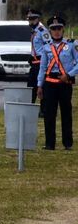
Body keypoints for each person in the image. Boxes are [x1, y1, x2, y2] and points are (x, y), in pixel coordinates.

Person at [40, 16, 75, 151]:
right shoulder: (46, 47)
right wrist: (39, 85)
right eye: (54, 29)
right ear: (50, 31)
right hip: (49, 83)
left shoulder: (71, 44)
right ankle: (50, 144)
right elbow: (42, 68)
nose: (56, 31)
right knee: (49, 114)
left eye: (59, 28)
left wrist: (69, 74)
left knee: (66, 113)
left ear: (63, 29)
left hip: (65, 82)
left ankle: (68, 143)